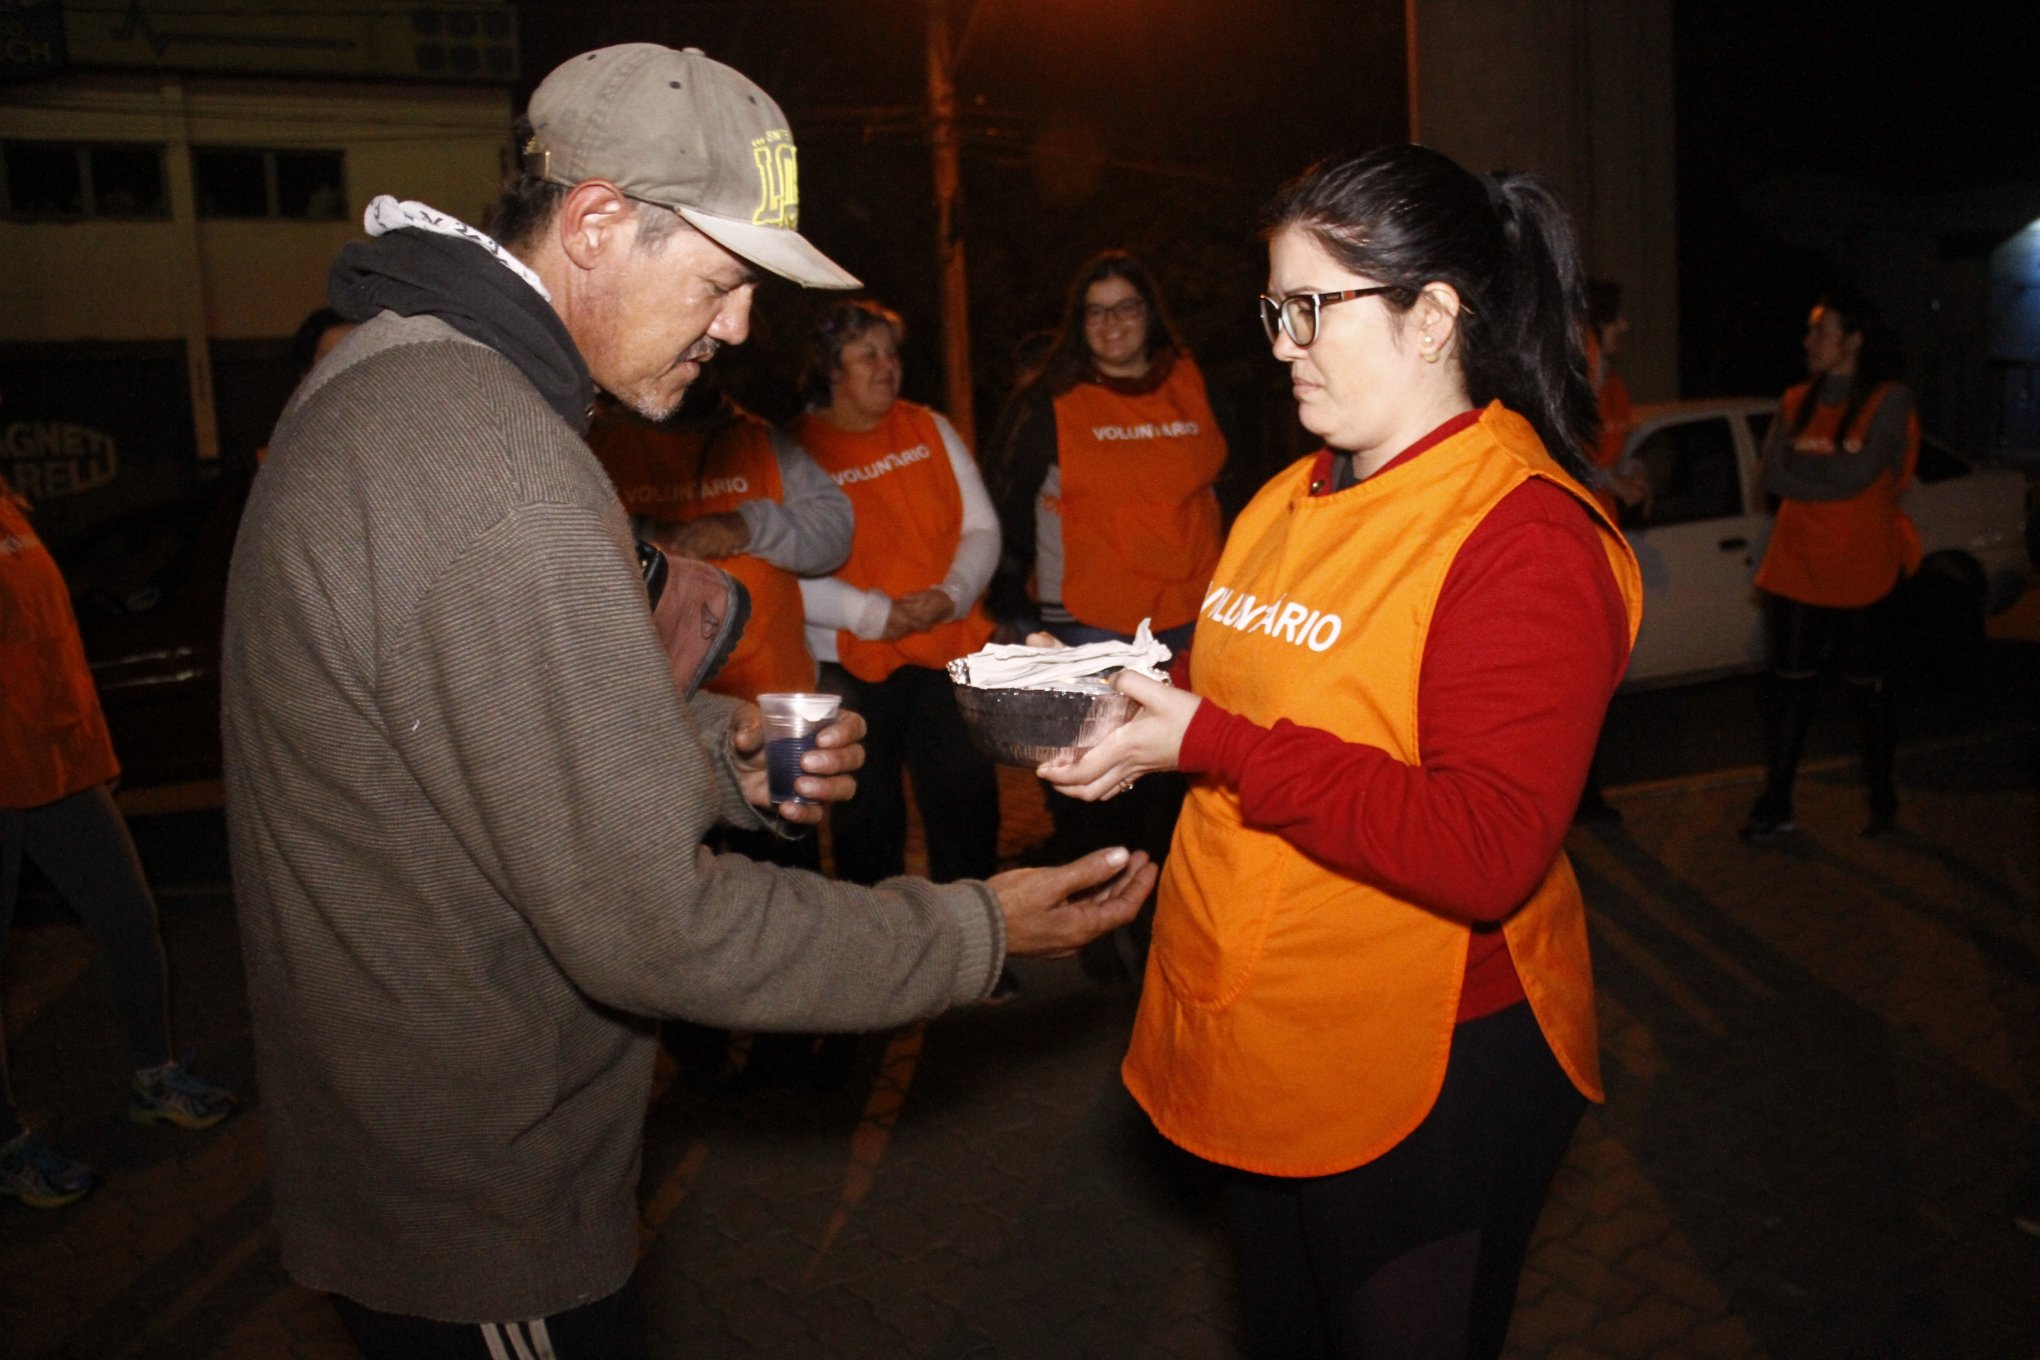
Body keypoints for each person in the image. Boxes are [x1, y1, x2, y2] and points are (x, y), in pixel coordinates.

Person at [221, 44, 1153, 1358]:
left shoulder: (406, 375)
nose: (737, 327)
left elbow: (487, 747)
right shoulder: (491, 460)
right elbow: (652, 924)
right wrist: (973, 930)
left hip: (421, 1158)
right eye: (721, 282)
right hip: (481, 1201)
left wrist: (736, 751)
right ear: (599, 221)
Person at [1043, 144, 1643, 1359]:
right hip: (1275, 1033)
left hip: (1433, 1070)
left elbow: (1484, 847)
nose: (1281, 342)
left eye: (1312, 308)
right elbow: (1243, 684)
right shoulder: (1287, 494)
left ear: (1434, 317)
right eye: (1276, 308)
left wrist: (1208, 739)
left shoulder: (1522, 537)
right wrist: (1136, 722)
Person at [1, 473, 235, 1210]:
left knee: (130, 917)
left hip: (62, 761)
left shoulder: (11, 507)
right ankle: (6, 1146)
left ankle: (153, 1077)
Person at [985, 252, 1227, 963]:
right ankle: (1097, 923)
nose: (1112, 324)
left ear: (1150, 314)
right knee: (1096, 789)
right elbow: (1008, 506)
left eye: (1126, 307)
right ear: (1077, 325)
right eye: (1096, 311)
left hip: (1191, 614)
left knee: (1178, 786)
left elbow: (1231, 486)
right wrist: (1014, 610)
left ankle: (1165, 921)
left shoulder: (1192, 382)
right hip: (1090, 624)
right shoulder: (1047, 401)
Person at [791, 298, 1004, 890]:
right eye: (868, 355)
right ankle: (887, 958)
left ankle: (982, 943)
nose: (887, 366)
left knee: (966, 799)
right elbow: (783, 565)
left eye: (891, 353)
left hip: (945, 644)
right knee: (866, 816)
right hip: (851, 663)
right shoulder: (793, 451)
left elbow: (981, 526)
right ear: (831, 369)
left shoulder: (927, 426)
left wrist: (951, 595)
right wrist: (872, 614)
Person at [1739, 293, 1919, 844]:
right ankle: (1778, 803)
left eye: (1822, 331)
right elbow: (1771, 477)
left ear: (1855, 340)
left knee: (1867, 689)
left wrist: (1812, 473)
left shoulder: (1890, 400)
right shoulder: (1795, 400)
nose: (1808, 342)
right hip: (1795, 566)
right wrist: (1830, 474)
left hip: (1862, 568)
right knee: (1790, 687)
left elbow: (1860, 474)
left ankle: (1884, 801)